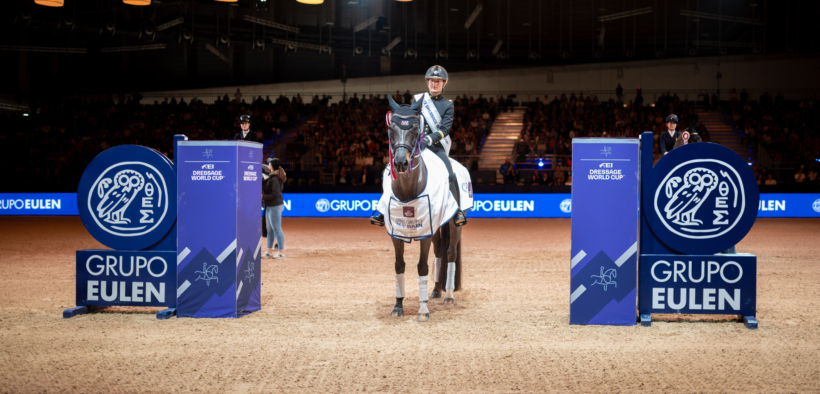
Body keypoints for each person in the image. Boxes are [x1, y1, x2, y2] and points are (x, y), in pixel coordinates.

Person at [370, 65, 467, 227]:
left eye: (438, 81)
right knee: (389, 170)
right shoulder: (418, 100)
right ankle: (382, 209)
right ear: (427, 83)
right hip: (415, 146)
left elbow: (445, 129)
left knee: (450, 174)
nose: (434, 84)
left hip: (435, 147)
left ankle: (456, 210)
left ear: (444, 83)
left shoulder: (448, 104)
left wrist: (429, 140)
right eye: (431, 81)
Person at [263, 158, 286, 259]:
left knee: (277, 229)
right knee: (269, 230)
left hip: (275, 206)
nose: (268, 164)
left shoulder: (275, 179)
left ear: (271, 166)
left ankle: (280, 252)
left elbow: (275, 194)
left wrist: (263, 197)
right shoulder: (273, 177)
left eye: (269, 163)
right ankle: (269, 251)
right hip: (270, 205)